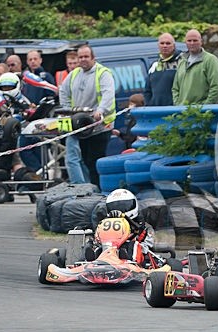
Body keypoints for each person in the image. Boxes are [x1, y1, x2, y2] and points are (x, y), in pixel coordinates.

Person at [58, 44, 116, 187]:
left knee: (96, 161)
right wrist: (67, 110)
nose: (83, 60)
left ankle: (101, 190)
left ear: (93, 58)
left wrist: (100, 110)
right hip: (82, 127)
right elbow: (63, 91)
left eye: (86, 57)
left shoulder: (103, 73)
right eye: (80, 57)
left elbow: (108, 94)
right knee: (85, 160)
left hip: (100, 126)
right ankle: (90, 190)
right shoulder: (74, 74)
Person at [85, 189, 155, 264]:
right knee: (96, 244)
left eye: (124, 206)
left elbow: (147, 245)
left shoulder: (143, 225)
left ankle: (127, 259)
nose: (119, 210)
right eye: (115, 207)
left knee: (133, 245)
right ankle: (94, 257)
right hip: (109, 248)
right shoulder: (105, 222)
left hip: (134, 255)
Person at [171, 29, 218, 105]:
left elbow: (217, 88)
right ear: (185, 42)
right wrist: (178, 105)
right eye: (189, 41)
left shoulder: (210, 60)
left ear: (201, 42)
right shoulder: (182, 61)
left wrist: (204, 107)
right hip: (182, 112)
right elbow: (175, 88)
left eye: (195, 40)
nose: (192, 43)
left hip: (201, 114)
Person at [144, 33, 183, 106]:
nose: (165, 46)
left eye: (168, 43)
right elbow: (147, 91)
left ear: (174, 46)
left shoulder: (182, 63)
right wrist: (148, 105)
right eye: (162, 43)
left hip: (174, 110)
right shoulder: (154, 65)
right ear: (158, 45)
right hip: (156, 111)